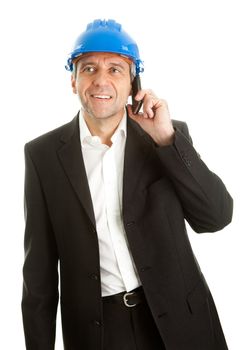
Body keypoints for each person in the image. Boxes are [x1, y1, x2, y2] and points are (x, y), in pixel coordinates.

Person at [21, 19, 233, 350]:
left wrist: (167, 141)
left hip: (181, 322)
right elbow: (39, 276)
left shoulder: (164, 137)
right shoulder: (43, 156)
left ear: (133, 81)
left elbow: (216, 217)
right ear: (73, 81)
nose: (101, 80)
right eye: (88, 68)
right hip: (99, 333)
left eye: (116, 69)